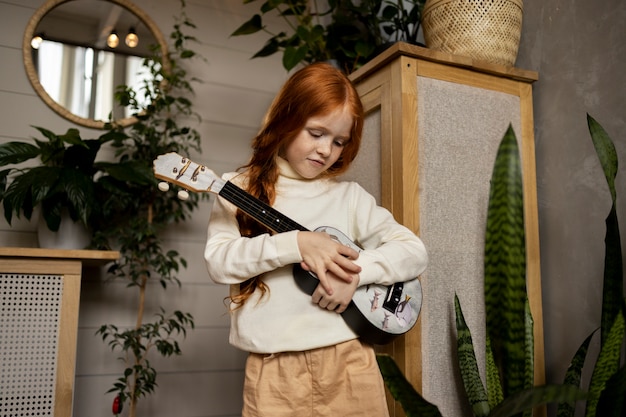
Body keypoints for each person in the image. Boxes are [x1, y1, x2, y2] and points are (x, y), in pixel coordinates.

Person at [204, 62, 428, 417]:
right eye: (316, 133)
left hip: (350, 364)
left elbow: (414, 251)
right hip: (272, 373)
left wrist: (356, 273)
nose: (326, 150)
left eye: (339, 141)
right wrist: (296, 244)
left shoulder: (350, 197)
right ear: (286, 119)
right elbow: (219, 261)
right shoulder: (238, 189)